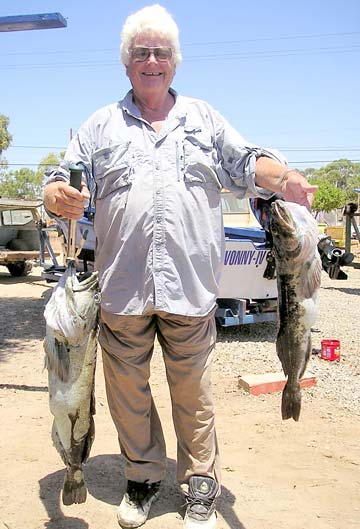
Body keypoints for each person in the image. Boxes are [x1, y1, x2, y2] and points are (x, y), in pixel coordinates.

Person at [43, 4, 318, 528]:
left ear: (175, 62)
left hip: (190, 290)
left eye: (161, 53)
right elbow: (60, 177)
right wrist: (57, 194)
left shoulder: (204, 119)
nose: (152, 60)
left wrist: (285, 180)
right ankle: (143, 480)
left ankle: (199, 487)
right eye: (141, 52)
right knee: (128, 397)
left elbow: (246, 161)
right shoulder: (99, 126)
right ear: (126, 63)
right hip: (121, 290)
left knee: (194, 397)